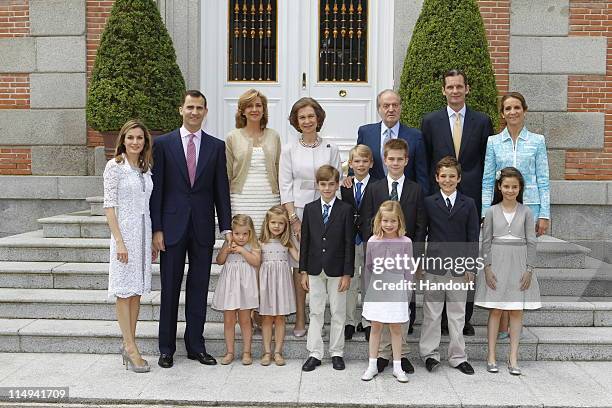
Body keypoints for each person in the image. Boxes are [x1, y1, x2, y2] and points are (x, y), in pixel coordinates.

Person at [150, 90, 232, 369]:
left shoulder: (216, 146)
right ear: (181, 110)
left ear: (205, 112)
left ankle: (196, 345)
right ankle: (166, 348)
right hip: (171, 229)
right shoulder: (163, 144)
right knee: (170, 289)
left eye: (199, 108)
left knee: (198, 289)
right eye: (190, 107)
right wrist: (156, 229)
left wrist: (227, 228)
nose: (194, 112)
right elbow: (157, 189)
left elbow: (221, 190)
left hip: (202, 228)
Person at [421, 69, 494, 336]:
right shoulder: (430, 121)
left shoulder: (482, 121)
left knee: (467, 252)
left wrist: (485, 200)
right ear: (443, 90)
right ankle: (439, 319)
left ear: (467, 89)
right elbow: (426, 161)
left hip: (470, 198)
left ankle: (465, 317)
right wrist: (430, 197)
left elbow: (488, 162)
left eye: (459, 87)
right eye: (450, 87)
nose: (455, 91)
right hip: (439, 200)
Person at [481, 91, 550, 339]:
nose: (512, 112)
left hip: (527, 211)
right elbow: (488, 179)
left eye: (517, 107)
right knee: (501, 264)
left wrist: (545, 214)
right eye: (508, 108)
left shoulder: (537, 141)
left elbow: (543, 178)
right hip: (500, 211)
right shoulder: (493, 142)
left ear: (524, 110)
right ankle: (501, 324)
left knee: (520, 264)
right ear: (502, 113)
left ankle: (512, 321)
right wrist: (483, 212)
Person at [360, 138, 426, 375]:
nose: (396, 163)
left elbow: (420, 226)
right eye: (392, 159)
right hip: (380, 262)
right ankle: (381, 356)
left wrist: (415, 259)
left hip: (403, 261)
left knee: (400, 313)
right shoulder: (374, 188)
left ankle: (402, 355)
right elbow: (367, 219)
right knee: (379, 318)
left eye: (400, 159)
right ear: (385, 160)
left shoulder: (416, 189)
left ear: (406, 161)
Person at [280, 97, 342, 337]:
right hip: (299, 212)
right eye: (302, 117)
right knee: (300, 265)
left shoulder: (331, 149)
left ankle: (324, 319)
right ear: (296, 121)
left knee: (325, 264)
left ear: (319, 118)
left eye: (311, 116)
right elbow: (284, 185)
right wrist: (293, 218)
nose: (307, 121)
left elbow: (336, 183)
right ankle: (300, 318)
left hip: (326, 212)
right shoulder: (288, 149)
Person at [475, 167, 541, 376]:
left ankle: (513, 357)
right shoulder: (491, 211)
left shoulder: (527, 212)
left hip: (520, 264)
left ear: (520, 188)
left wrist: (529, 269)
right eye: (506, 186)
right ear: (499, 187)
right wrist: (486, 268)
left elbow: (532, 242)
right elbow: (485, 243)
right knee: (495, 310)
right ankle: (491, 356)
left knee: (516, 311)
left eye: (514, 187)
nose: (510, 190)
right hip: (497, 263)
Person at [419, 156, 479, 376]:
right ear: (436, 177)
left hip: (459, 269)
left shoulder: (468, 203)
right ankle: (430, 354)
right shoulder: (428, 202)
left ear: (459, 178)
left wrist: (471, 267)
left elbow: (473, 237)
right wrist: (420, 263)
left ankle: (458, 356)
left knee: (457, 314)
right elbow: (422, 232)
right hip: (434, 267)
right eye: (443, 176)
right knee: (432, 313)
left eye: (452, 176)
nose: (447, 180)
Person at [103, 119, 155, 373]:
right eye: (131, 137)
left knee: (136, 292)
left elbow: (146, 207)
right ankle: (130, 347)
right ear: (123, 140)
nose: (135, 142)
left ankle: (129, 343)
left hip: (143, 236)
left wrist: (152, 240)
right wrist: (120, 241)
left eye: (140, 138)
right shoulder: (115, 167)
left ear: (145, 142)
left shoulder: (145, 169)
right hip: (124, 236)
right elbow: (109, 207)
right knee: (124, 292)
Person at [299, 165, 354, 372]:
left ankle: (337, 352)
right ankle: (315, 353)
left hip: (338, 269)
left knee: (338, 311)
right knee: (316, 312)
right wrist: (303, 270)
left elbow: (349, 243)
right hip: (314, 269)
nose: (327, 188)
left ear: (338, 184)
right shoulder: (310, 209)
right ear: (317, 185)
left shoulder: (345, 209)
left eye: (331, 184)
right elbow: (305, 242)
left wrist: (347, 273)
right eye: (323, 184)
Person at [361, 201, 413, 383]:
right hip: (377, 289)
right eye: (385, 220)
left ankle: (397, 367)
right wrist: (368, 292)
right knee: (375, 328)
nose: (389, 225)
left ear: (400, 221)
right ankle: (372, 365)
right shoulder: (373, 241)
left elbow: (408, 270)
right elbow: (368, 268)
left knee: (396, 328)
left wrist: (407, 293)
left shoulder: (406, 242)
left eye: (393, 221)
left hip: (396, 289)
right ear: (379, 221)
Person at [226, 89, 282, 234]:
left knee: (267, 239)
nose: (254, 109)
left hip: (269, 197)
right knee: (244, 239)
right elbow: (227, 172)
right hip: (241, 198)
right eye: (249, 106)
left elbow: (278, 168)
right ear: (242, 111)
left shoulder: (274, 136)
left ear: (264, 110)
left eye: (258, 105)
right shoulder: (232, 137)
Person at [353, 89, 429, 193]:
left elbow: (421, 174)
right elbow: (357, 157)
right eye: (386, 106)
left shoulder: (415, 136)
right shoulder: (365, 133)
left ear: (400, 108)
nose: (391, 109)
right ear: (378, 109)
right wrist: (350, 177)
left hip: (405, 196)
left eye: (395, 105)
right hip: (373, 195)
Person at [212, 214, 261, 365]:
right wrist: (226, 250)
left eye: (245, 233)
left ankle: (247, 352)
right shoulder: (228, 243)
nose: (240, 237)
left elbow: (256, 261)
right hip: (230, 287)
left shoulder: (253, 244)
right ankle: (230, 352)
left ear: (250, 233)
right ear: (231, 232)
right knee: (229, 320)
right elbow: (219, 261)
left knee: (245, 320)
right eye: (237, 233)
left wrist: (242, 250)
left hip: (245, 286)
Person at [258, 205, 298, 366]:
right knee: (267, 318)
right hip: (266, 284)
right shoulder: (260, 243)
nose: (276, 226)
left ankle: (278, 352)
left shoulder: (287, 243)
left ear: (286, 225)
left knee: (280, 318)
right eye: (273, 222)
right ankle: (267, 352)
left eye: (281, 223)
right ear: (267, 223)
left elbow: (299, 257)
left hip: (282, 284)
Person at [340, 145, 373, 341]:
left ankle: (367, 321)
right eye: (357, 161)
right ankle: (349, 321)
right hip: (350, 239)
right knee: (350, 281)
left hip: (370, 239)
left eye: (364, 161)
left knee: (368, 280)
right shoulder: (345, 186)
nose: (360, 165)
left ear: (371, 163)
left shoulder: (379, 185)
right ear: (350, 164)